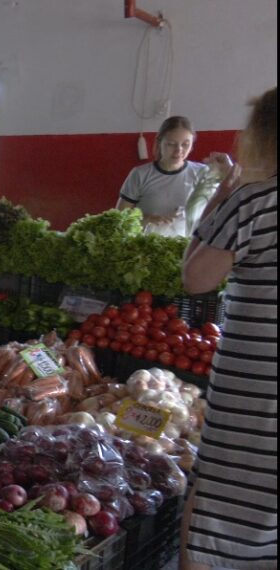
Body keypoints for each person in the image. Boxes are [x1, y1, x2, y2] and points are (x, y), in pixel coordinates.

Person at [179, 87, 276, 570]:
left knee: (217, 503)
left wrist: (223, 195)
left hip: (254, 389)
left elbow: (195, 278)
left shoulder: (255, 202)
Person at [116, 116, 211, 237]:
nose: (178, 151)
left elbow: (213, 213)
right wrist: (147, 219)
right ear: (160, 142)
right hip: (146, 245)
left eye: (186, 144)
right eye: (171, 144)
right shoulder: (140, 174)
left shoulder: (202, 173)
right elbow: (120, 216)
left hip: (186, 247)